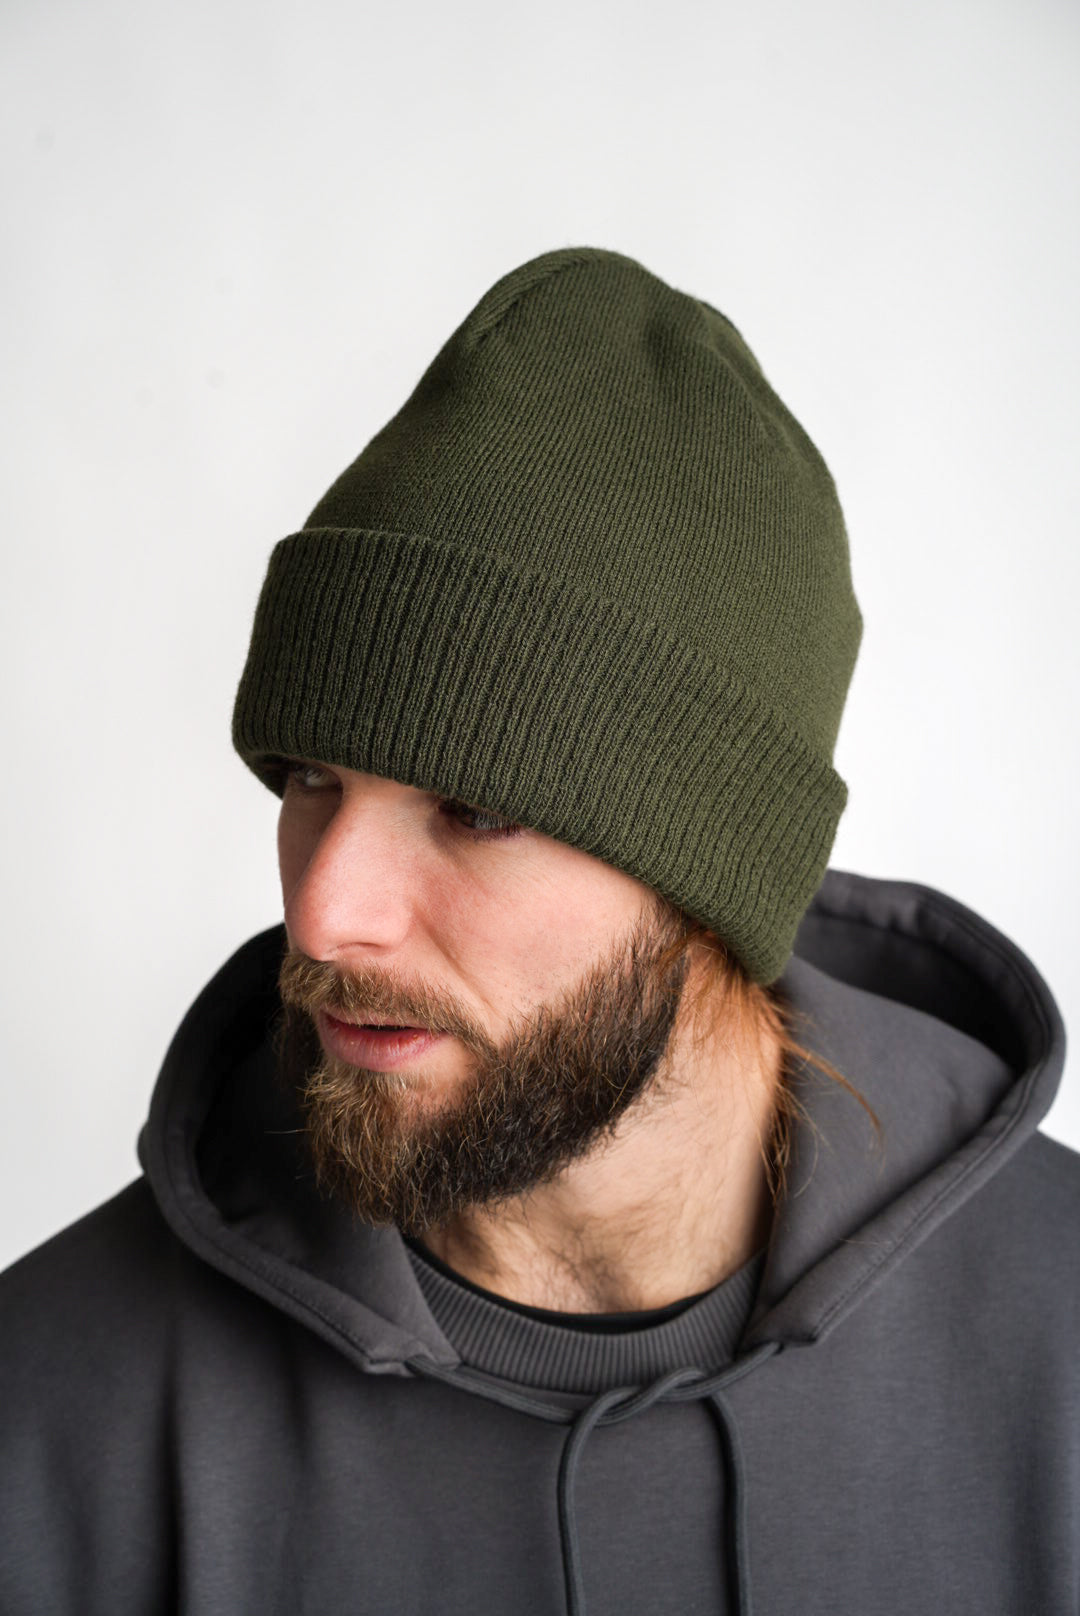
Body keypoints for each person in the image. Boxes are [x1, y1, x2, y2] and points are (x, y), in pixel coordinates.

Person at [1, 245, 1076, 1616]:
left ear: (715, 880)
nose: (325, 913)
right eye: (311, 779)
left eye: (476, 808)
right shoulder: (49, 1410)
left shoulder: (1058, 1343)